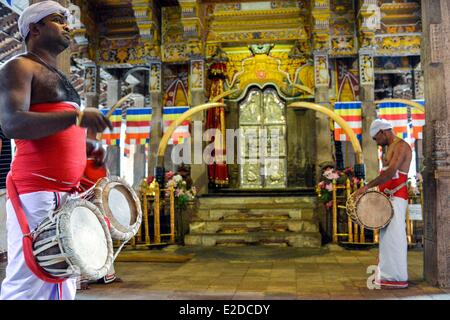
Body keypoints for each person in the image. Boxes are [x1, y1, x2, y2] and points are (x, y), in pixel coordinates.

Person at [0, 1, 112, 300]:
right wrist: (76, 117)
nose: (67, 25)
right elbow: (12, 123)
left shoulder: (61, 75)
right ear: (34, 29)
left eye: (66, 20)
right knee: (29, 277)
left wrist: (90, 149)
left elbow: (60, 130)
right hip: (35, 191)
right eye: (58, 20)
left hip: (66, 193)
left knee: (64, 277)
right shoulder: (18, 66)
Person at [354, 119, 412, 289]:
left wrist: (367, 187)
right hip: (388, 199)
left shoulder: (401, 146)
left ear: (382, 132)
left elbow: (391, 173)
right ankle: (388, 275)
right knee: (387, 239)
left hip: (397, 197)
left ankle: (397, 277)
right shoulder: (390, 147)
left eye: (376, 139)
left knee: (395, 238)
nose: (376, 143)